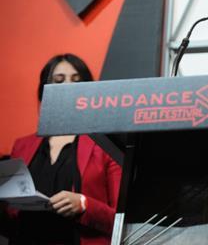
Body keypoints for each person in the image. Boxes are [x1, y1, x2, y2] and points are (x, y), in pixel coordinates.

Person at [0, 53, 122, 244]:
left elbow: (123, 220)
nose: (68, 86)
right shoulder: (22, 146)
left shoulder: (106, 146)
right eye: (59, 80)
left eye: (76, 80)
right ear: (44, 90)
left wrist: (84, 204)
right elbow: (10, 215)